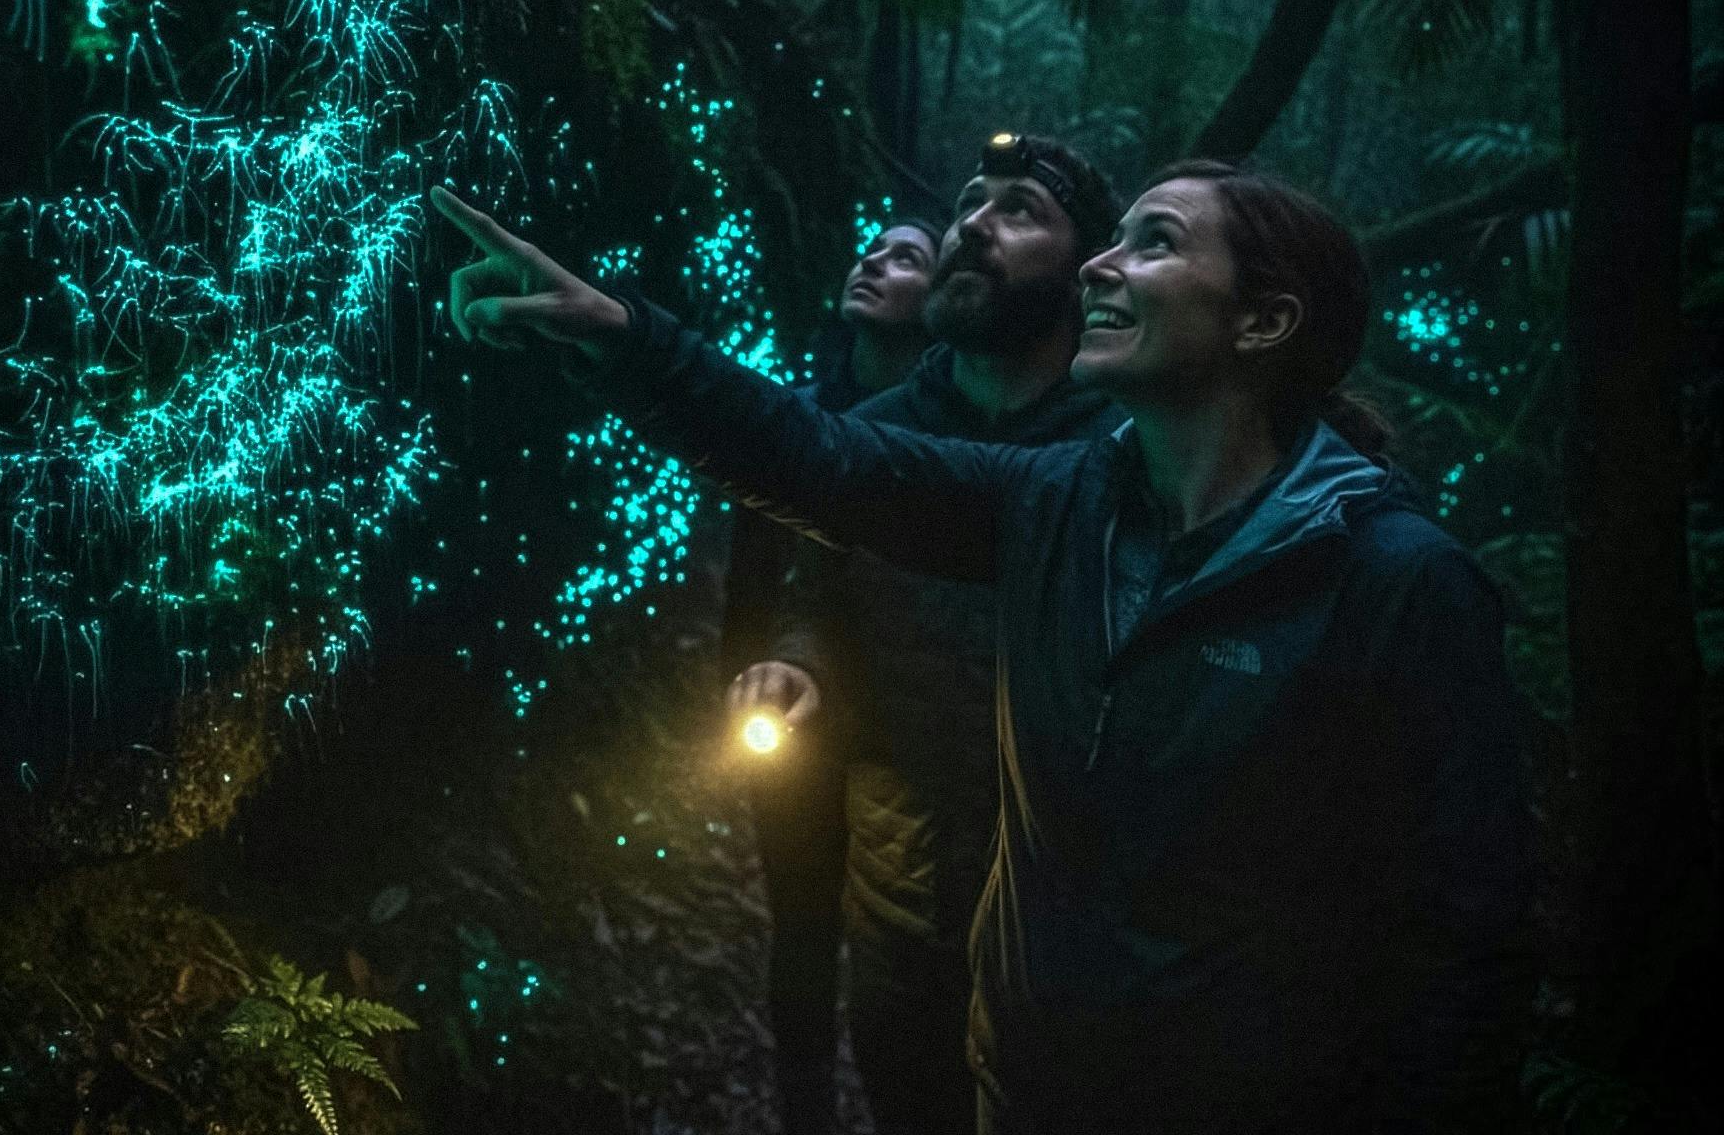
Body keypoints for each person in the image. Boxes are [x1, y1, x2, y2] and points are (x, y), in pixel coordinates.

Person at [432, 158, 1533, 1133]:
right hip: (1022, 1084)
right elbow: (826, 464)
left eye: (1153, 243)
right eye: (1111, 238)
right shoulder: (1059, 503)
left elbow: (1461, 945)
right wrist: (623, 337)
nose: (1101, 267)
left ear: (1263, 322)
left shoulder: (1395, 581)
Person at [728, 135, 1123, 1134]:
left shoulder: (1128, 447)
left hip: (1067, 929)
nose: (974, 225)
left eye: (1020, 209)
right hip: (898, 901)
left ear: (1088, 270)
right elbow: (819, 595)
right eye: (969, 203)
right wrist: (797, 663)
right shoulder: (880, 425)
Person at [718, 215, 939, 1133]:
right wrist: (743, 680)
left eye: (906, 257)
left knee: (911, 943)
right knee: (803, 921)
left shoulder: (957, 433)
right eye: (872, 247)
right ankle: (805, 1106)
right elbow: (754, 578)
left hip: (905, 727)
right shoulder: (797, 416)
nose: (873, 260)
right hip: (792, 714)